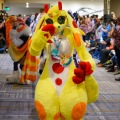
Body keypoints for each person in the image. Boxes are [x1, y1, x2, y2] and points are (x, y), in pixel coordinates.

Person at [29, 2, 99, 119]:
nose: (55, 25)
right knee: (47, 113)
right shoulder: (46, 34)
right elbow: (34, 51)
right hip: (49, 77)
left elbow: (85, 55)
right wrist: (40, 37)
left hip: (69, 77)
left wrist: (88, 66)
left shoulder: (72, 35)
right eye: (51, 21)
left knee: (74, 112)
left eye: (60, 19)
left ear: (66, 19)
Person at [6, 16, 39, 84]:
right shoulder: (22, 31)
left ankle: (23, 78)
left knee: (21, 64)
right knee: (18, 63)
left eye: (15, 22)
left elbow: (17, 43)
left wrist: (13, 36)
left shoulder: (22, 33)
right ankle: (20, 77)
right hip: (22, 51)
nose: (14, 24)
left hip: (24, 51)